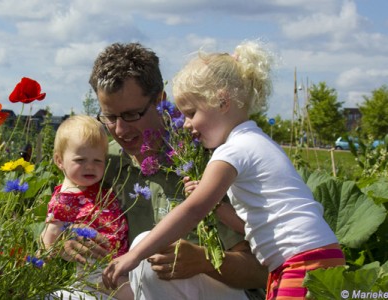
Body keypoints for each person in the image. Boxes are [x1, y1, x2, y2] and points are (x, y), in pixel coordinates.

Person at [102, 41, 345, 300]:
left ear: (222, 102)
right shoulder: (258, 141)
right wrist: (218, 206)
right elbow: (250, 225)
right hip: (313, 254)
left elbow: (193, 209)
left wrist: (134, 256)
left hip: (299, 260)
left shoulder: (231, 151)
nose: (185, 125)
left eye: (192, 113)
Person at [54, 42, 268, 300]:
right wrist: (66, 242)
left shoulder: (208, 163)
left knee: (147, 256)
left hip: (221, 293)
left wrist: (204, 261)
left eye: (132, 114)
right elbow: (58, 215)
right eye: (110, 117)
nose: (120, 130)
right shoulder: (100, 162)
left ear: (159, 100)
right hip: (130, 291)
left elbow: (262, 272)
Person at [41, 115, 133, 299]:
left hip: (116, 262)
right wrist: (42, 261)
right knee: (134, 293)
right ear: (59, 161)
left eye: (97, 161)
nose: (90, 167)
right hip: (92, 267)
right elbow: (48, 240)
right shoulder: (65, 199)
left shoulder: (96, 189)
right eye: (80, 160)